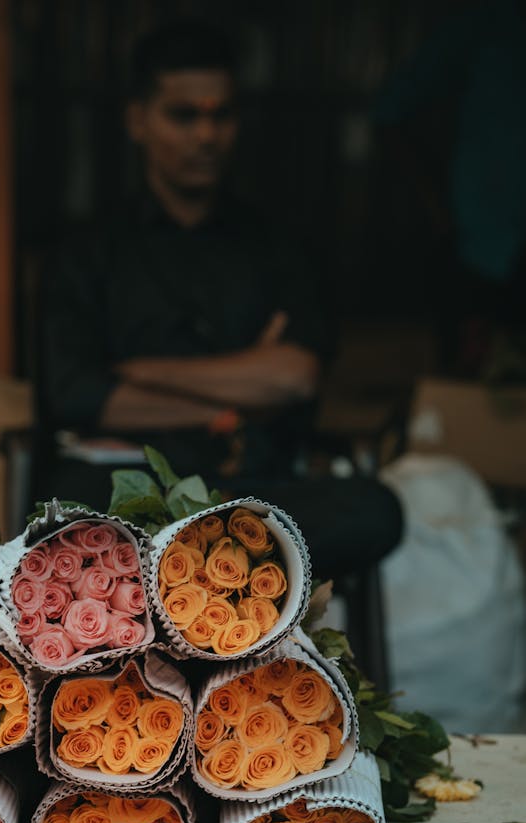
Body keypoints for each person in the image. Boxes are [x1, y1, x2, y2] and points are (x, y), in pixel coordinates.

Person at [39, 21, 403, 578]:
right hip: (125, 487)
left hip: (254, 492)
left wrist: (137, 373)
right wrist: (240, 399)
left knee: (375, 509)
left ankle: (191, 576)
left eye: (221, 115)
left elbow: (294, 378)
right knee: (73, 523)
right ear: (139, 120)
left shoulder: (279, 246)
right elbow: (81, 395)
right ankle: (211, 578)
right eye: (184, 115)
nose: (206, 135)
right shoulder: (88, 251)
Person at [374, 0, 526, 376]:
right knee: (469, 388)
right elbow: (390, 111)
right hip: (481, 247)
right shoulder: (485, 27)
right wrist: (437, 206)